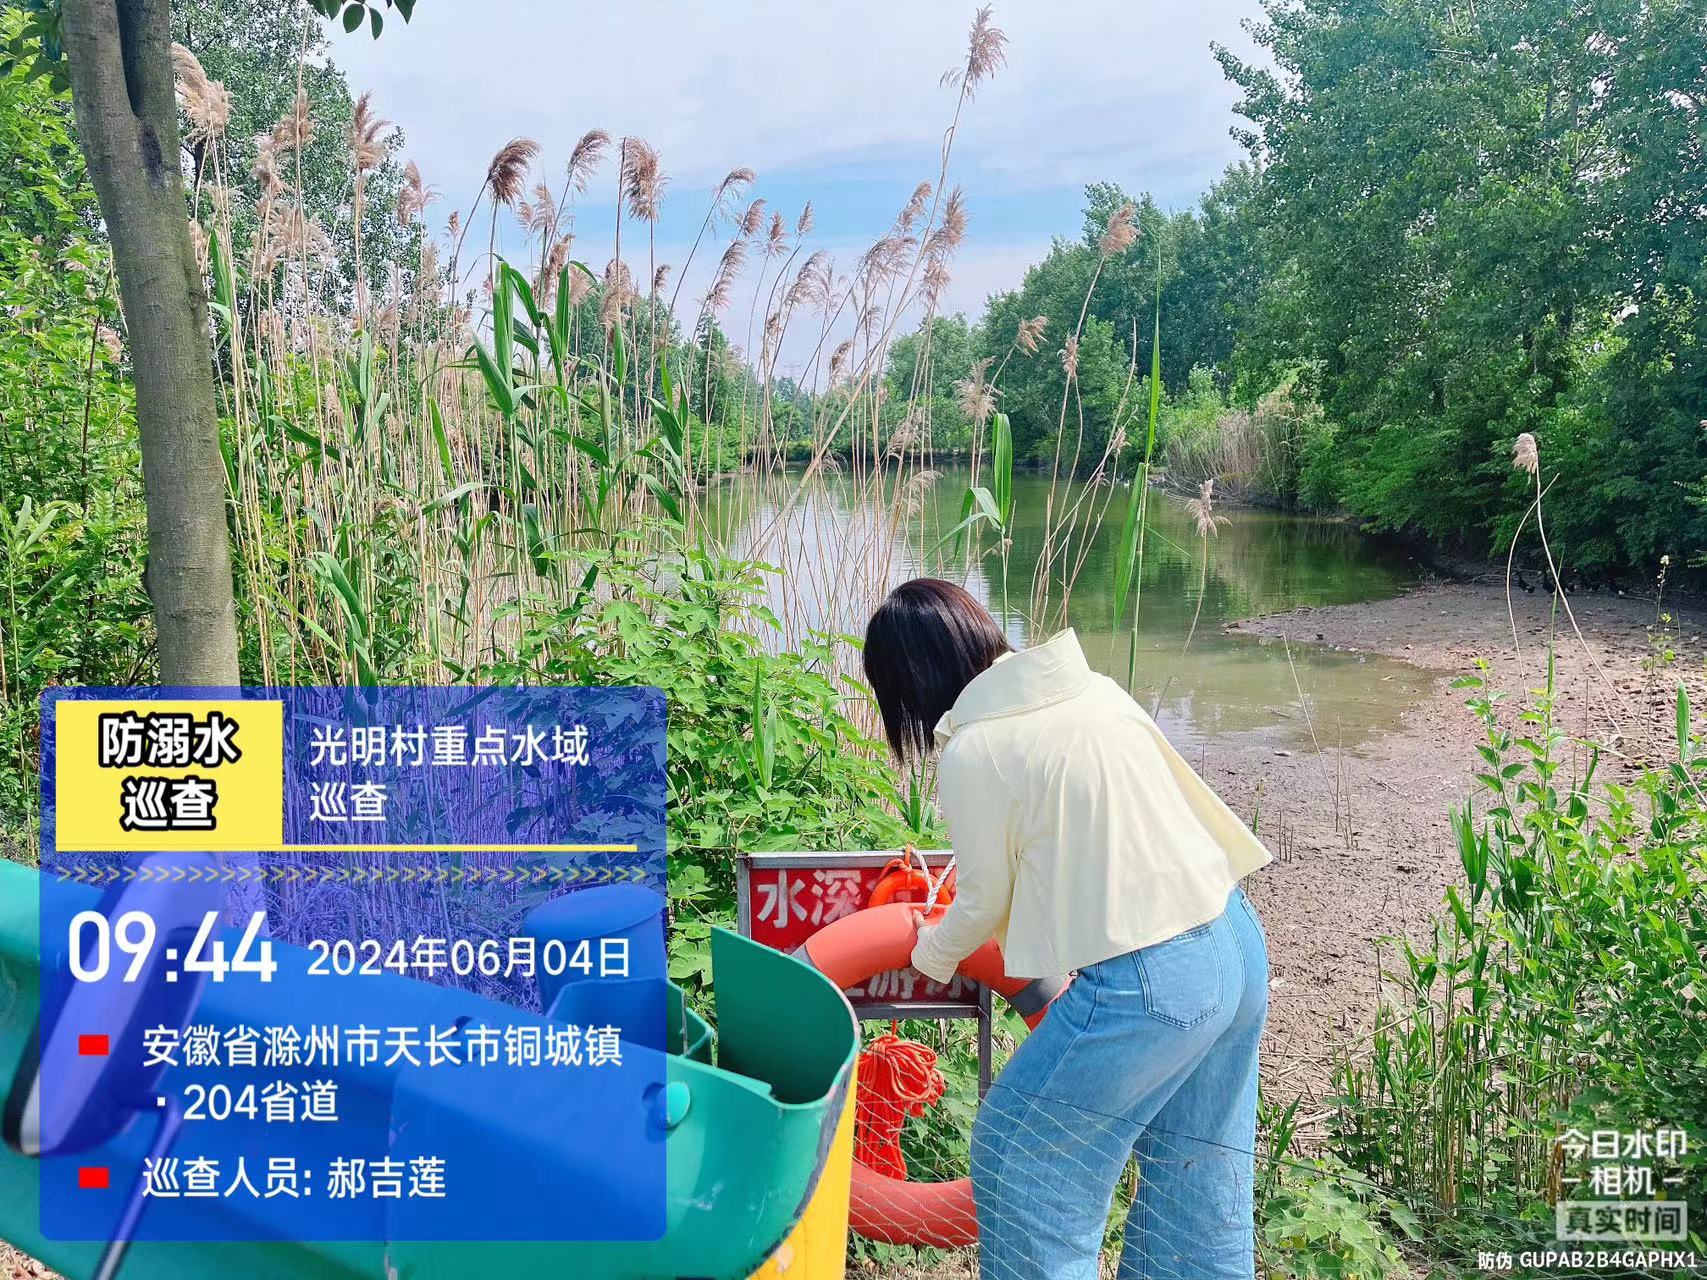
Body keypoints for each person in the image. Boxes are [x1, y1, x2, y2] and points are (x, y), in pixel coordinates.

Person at [862, 577, 1271, 1280]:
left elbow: (982, 899)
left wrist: (928, 954)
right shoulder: (1092, 690)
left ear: (910, 680)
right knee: (1198, 1177)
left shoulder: (977, 745)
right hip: (1234, 942)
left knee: (1020, 1158)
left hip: (1152, 979)